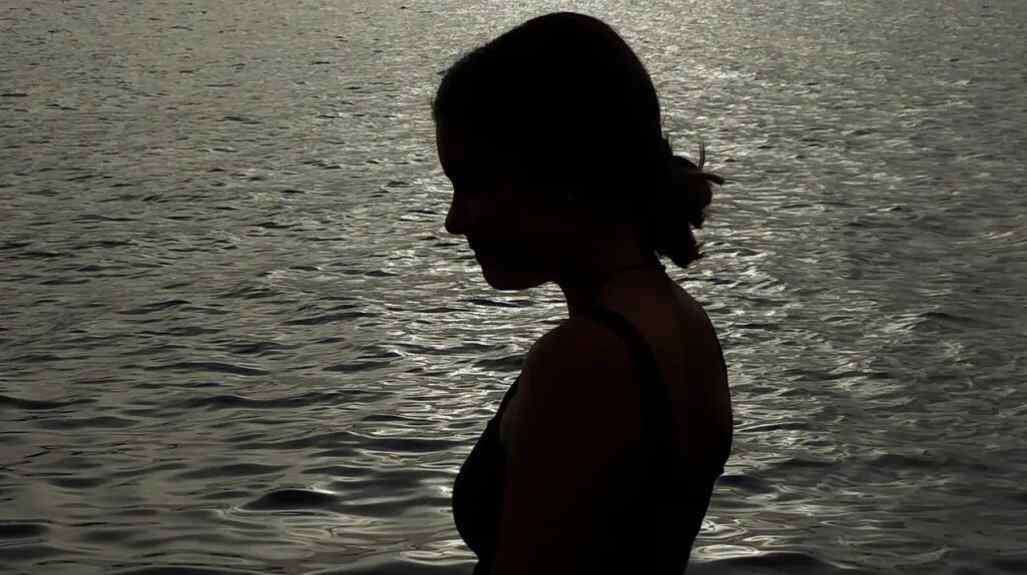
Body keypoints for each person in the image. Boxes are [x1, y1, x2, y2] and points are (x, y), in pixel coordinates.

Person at [432, 12, 732, 575]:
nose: (453, 221)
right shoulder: (684, 323)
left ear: (560, 174)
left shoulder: (584, 361)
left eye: (473, 185)